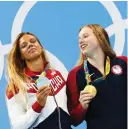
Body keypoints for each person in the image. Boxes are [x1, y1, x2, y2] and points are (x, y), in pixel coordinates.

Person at [6, 32, 72, 129]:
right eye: (24, 46)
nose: (30, 45)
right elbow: (17, 126)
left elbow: (72, 109)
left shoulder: (58, 73)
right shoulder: (15, 86)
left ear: (41, 47)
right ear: (21, 56)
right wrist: (38, 105)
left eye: (33, 41)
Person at [66, 24, 127, 129]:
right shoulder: (75, 75)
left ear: (100, 37)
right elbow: (73, 120)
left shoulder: (123, 62)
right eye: (79, 39)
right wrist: (82, 106)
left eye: (85, 36)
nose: (80, 41)